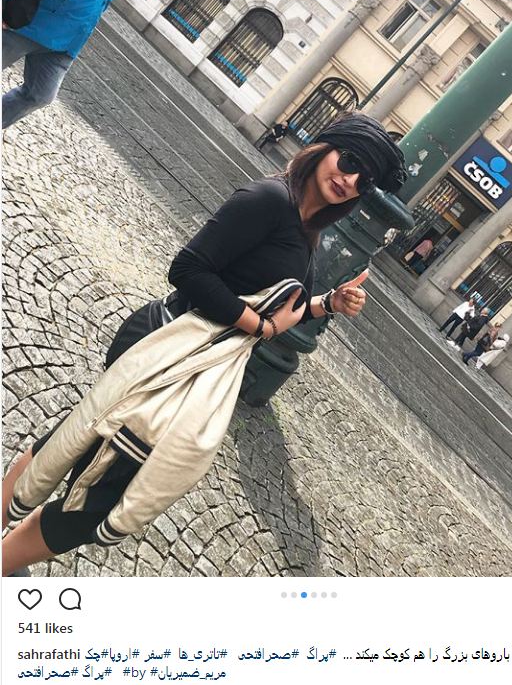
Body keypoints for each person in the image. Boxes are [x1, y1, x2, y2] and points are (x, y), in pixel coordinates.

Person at [1, 113, 406, 575]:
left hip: (189, 361)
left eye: (363, 181)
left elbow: (274, 303)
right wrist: (261, 328)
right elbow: (189, 269)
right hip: (167, 347)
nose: (349, 180)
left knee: (83, 439)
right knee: (96, 494)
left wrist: (328, 303)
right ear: (322, 149)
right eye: (349, 162)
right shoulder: (269, 200)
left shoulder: (306, 225)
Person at [2, 0, 125, 128]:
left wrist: (73, 47)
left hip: (65, 46)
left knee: (40, 94)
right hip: (31, 25)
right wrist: (16, 13)